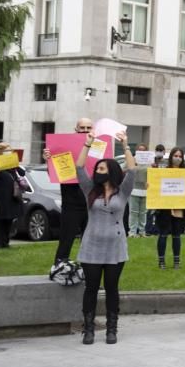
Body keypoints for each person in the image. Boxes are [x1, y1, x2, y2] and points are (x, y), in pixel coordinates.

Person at [74, 129, 135, 345]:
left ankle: (112, 329)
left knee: (112, 288)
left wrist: (125, 145)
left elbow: (133, 169)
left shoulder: (123, 191)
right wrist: (87, 144)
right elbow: (79, 167)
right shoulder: (90, 189)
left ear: (111, 171)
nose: (97, 171)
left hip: (116, 249)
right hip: (91, 248)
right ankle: (88, 329)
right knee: (91, 288)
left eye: (101, 168)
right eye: (97, 168)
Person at [43, 118, 92, 263]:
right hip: (71, 203)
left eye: (88, 127)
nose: (85, 130)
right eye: (82, 127)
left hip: (92, 203)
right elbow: (54, 173)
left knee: (90, 242)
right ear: (76, 129)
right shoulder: (64, 146)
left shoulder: (100, 146)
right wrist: (49, 160)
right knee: (66, 240)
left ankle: (89, 274)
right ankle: (59, 268)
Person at [0, 143, 28, 248]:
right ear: (0, 152)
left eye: (10, 150)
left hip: (10, 197)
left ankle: (5, 242)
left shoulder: (11, 163)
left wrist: (16, 165)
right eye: (7, 151)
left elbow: (22, 173)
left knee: (8, 220)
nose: (9, 152)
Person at [154, 147, 185, 270]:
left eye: (180, 156)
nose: (178, 158)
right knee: (163, 234)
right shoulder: (164, 171)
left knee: (176, 235)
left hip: (179, 207)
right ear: (171, 157)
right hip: (165, 207)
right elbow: (156, 185)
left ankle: (176, 261)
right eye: (176, 156)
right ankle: (161, 261)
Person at [128, 143, 149, 237]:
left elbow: (154, 174)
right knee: (133, 212)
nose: (141, 151)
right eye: (140, 149)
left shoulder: (150, 161)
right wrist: (133, 163)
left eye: (144, 150)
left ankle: (142, 232)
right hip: (133, 189)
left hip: (146, 190)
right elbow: (124, 168)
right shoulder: (132, 159)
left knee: (143, 213)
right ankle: (132, 232)